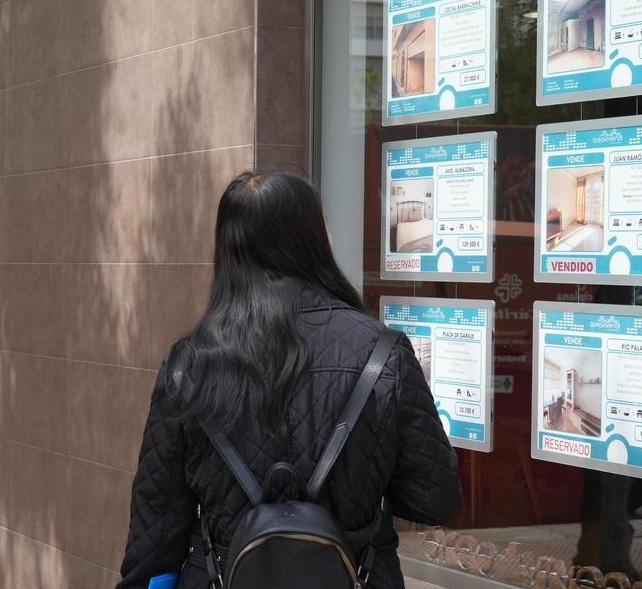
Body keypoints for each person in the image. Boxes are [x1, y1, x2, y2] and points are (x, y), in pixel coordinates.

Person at [117, 171, 461, 589]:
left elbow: (156, 533)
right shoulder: (381, 352)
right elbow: (435, 498)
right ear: (313, 239)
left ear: (228, 248)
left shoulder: (189, 363)